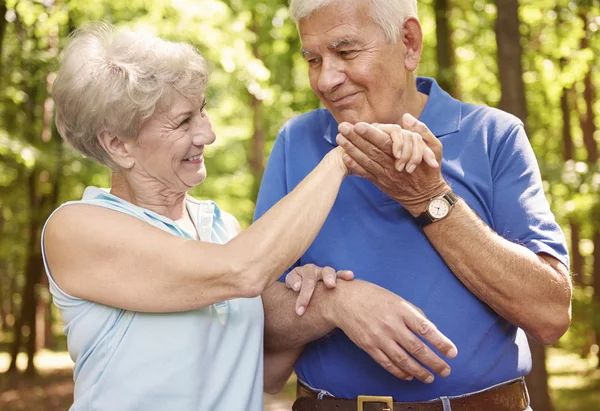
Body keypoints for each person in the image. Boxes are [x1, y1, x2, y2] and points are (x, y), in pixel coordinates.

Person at [43, 21, 436, 410]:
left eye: (202, 112)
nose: (207, 134)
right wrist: (346, 155)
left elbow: (265, 376)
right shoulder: (77, 227)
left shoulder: (221, 227)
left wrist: (312, 296)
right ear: (117, 145)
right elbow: (243, 270)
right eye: (183, 122)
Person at [254, 0, 573, 410]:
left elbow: (549, 315)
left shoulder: (494, 136)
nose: (326, 80)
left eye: (346, 52)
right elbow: (255, 312)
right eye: (313, 59)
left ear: (408, 42)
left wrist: (428, 198)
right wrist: (335, 304)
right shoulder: (295, 141)